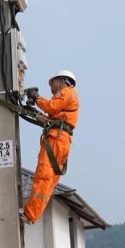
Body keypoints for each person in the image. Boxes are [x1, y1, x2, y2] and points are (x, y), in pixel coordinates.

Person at [21, 70, 79, 225]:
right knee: (49, 180)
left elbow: (51, 107)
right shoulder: (69, 98)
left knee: (44, 175)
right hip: (61, 140)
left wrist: (36, 97)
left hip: (57, 139)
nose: (52, 90)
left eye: (53, 85)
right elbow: (51, 115)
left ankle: (31, 213)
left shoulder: (67, 92)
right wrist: (35, 112)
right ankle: (32, 214)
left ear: (61, 81)